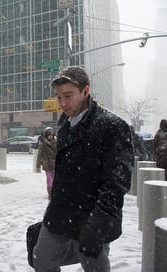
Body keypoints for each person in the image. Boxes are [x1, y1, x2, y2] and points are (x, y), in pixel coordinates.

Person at [33, 66, 134, 272]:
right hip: (60, 213)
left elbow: (117, 181)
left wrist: (99, 222)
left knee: (95, 267)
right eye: (59, 96)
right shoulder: (64, 124)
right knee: (41, 260)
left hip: (92, 215)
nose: (62, 103)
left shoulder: (112, 126)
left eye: (68, 96)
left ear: (85, 92)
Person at [36, 127, 57, 200]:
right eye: (49, 135)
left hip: (55, 164)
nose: (50, 137)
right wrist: (37, 166)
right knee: (49, 179)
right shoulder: (43, 144)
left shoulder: (56, 143)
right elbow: (39, 155)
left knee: (55, 179)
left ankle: (55, 193)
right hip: (47, 164)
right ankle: (50, 194)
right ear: (46, 136)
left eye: (51, 135)